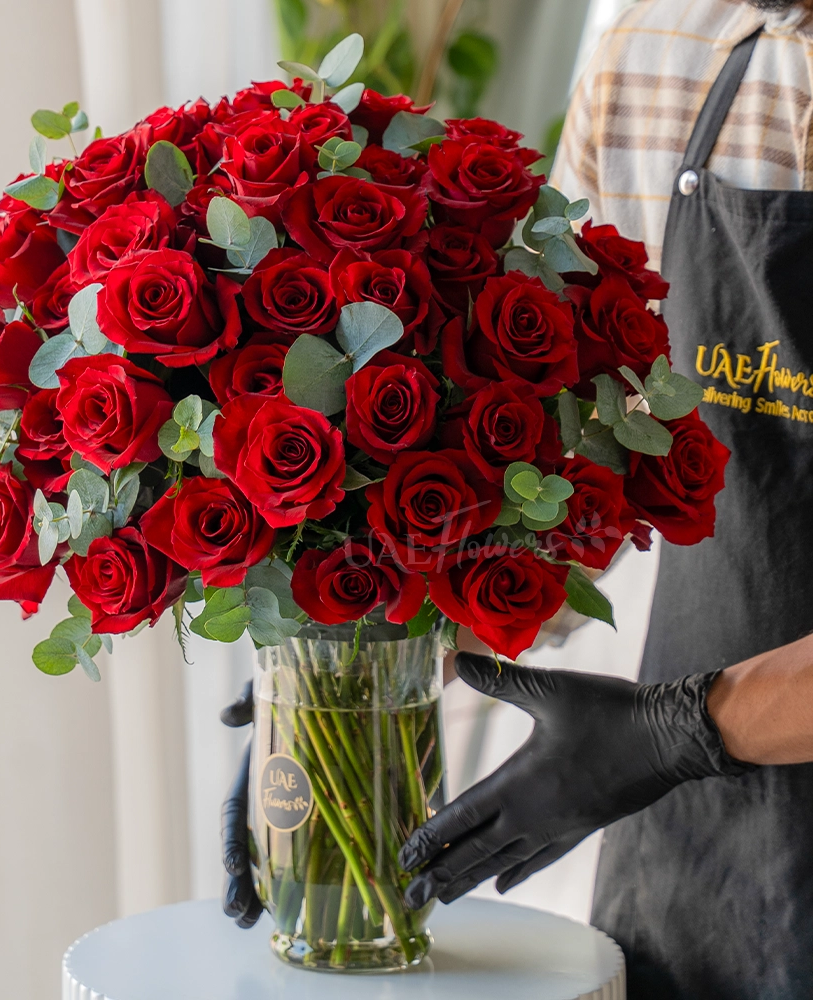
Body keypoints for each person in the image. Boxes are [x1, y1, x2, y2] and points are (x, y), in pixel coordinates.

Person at [221, 1, 813, 995]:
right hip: (694, 869)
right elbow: (610, 450)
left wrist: (676, 729)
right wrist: (380, 658)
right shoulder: (651, 54)